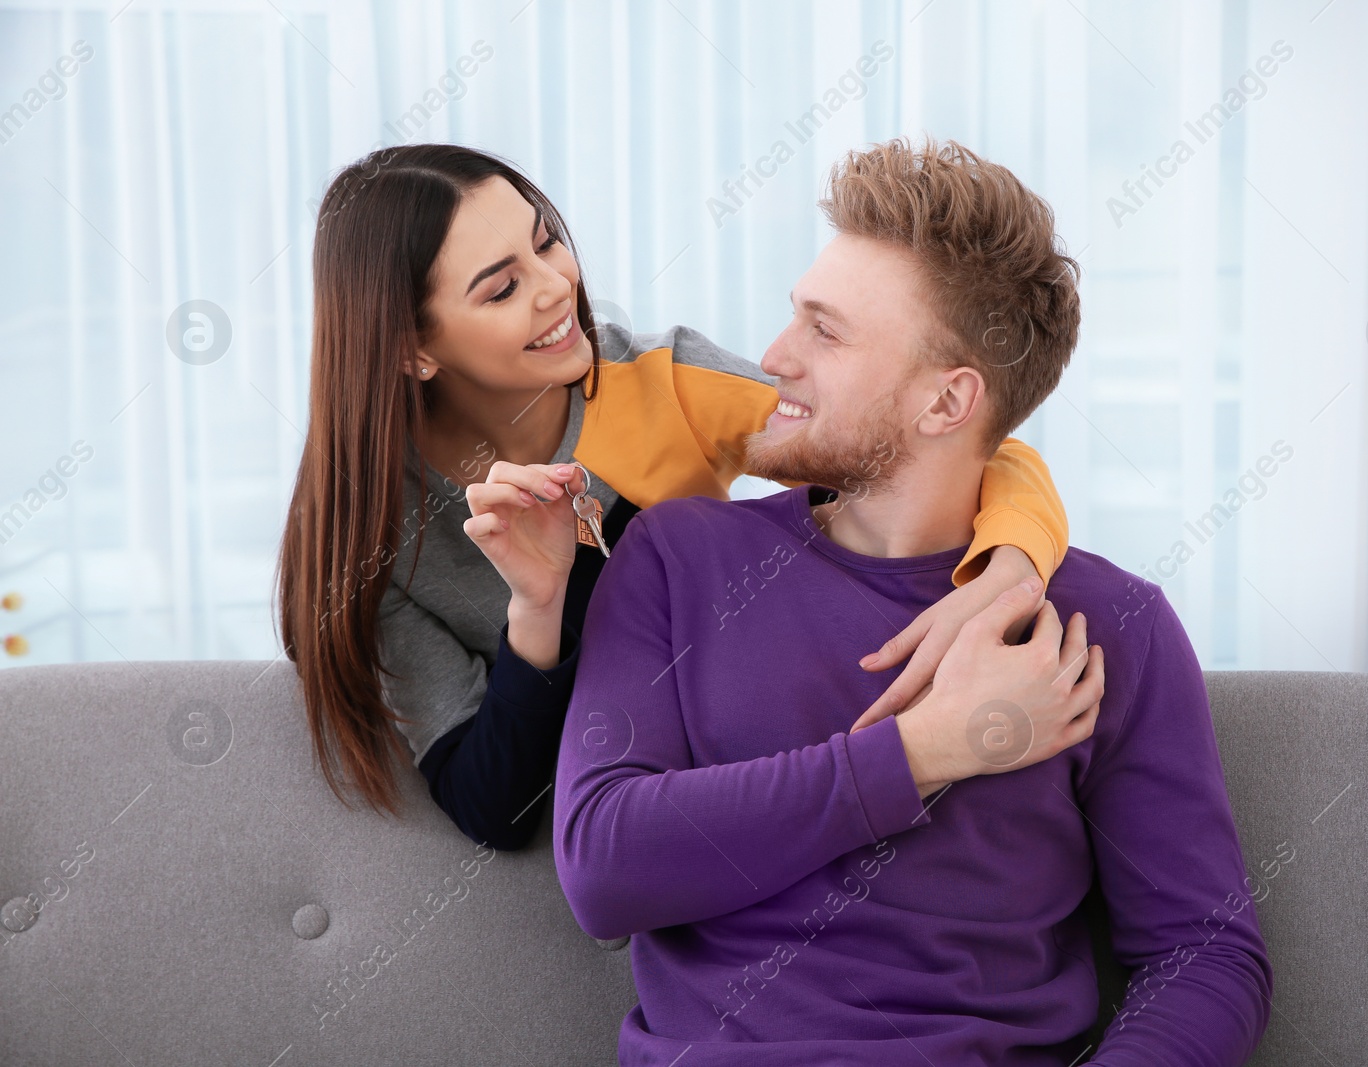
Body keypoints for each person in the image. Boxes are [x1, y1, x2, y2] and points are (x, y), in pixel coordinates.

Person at [553, 137, 1272, 1065]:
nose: (774, 357)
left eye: (826, 330)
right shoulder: (677, 558)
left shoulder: (1106, 626)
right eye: (794, 317)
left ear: (947, 403)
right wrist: (924, 750)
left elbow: (1204, 952)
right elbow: (604, 869)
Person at [273, 143, 1073, 848]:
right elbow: (498, 805)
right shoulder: (367, 540)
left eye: (547, 241)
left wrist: (1013, 561)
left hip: (774, 754)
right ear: (413, 350)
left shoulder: (665, 383)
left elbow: (934, 433)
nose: (557, 286)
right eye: (501, 287)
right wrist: (536, 612)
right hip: (641, 815)